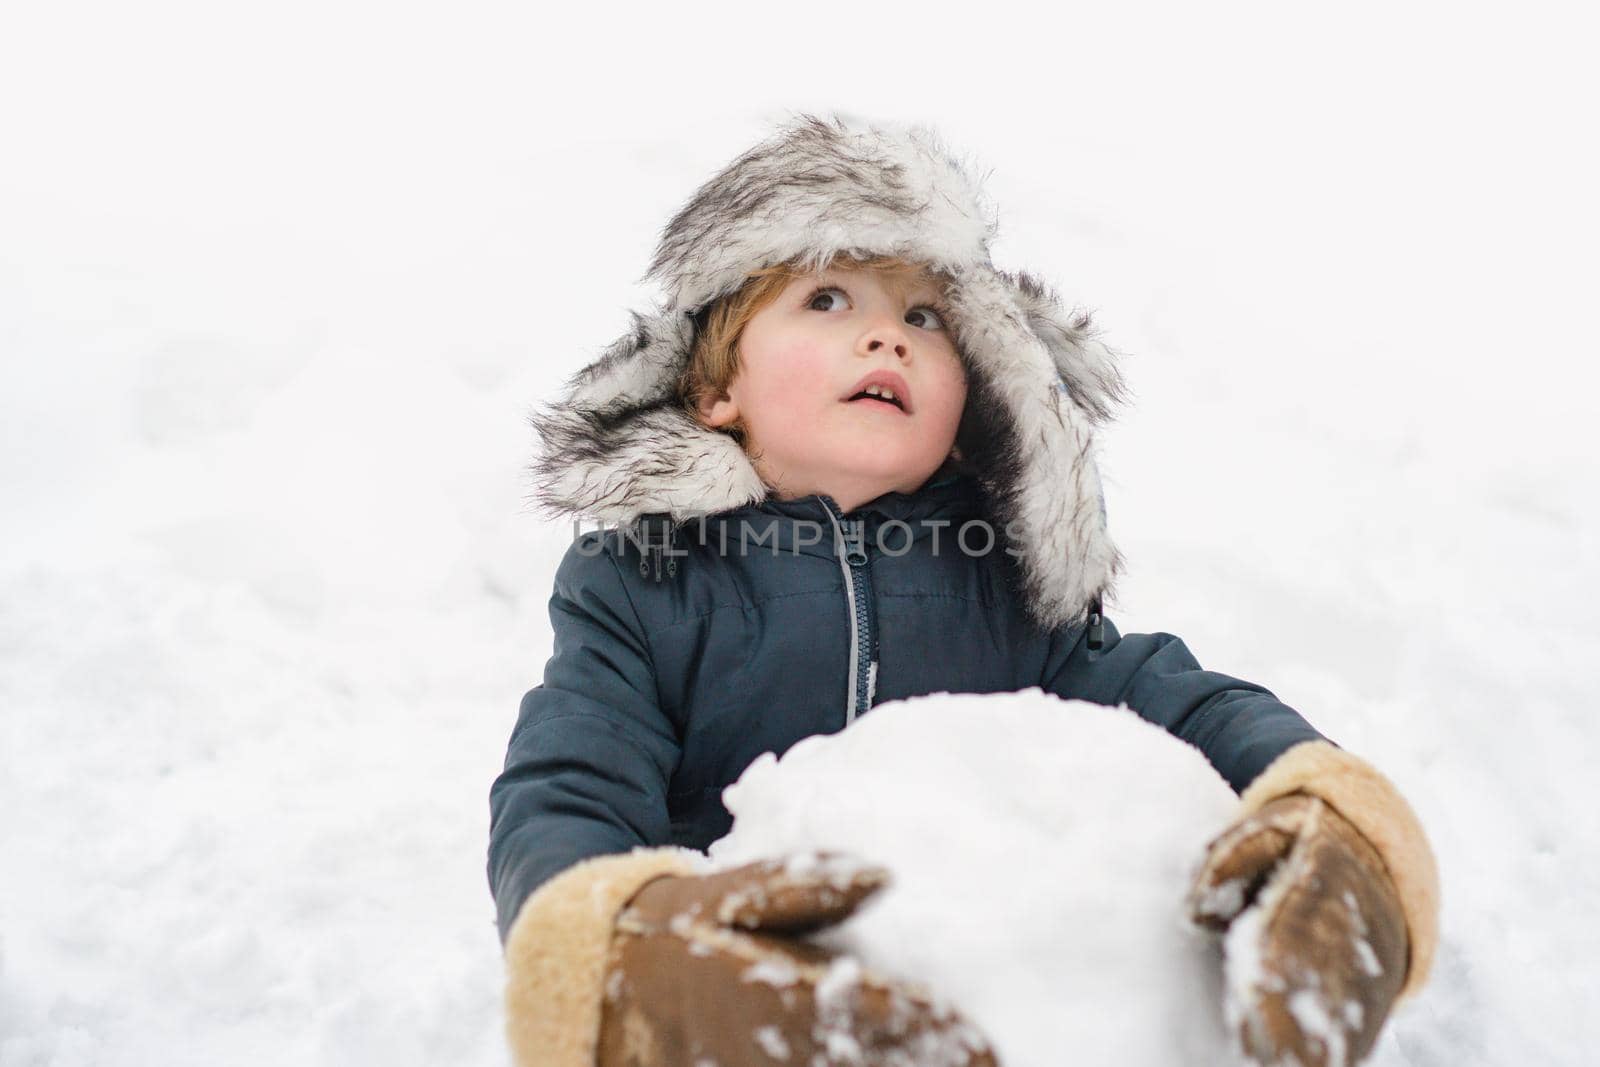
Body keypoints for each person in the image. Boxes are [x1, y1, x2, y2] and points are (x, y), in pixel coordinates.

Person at [489, 113, 1439, 1067]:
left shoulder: (1005, 583)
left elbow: (1181, 701)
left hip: (975, 1012)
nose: (885, 338)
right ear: (715, 387)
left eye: (924, 317)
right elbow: (569, 784)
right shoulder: (643, 584)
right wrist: (621, 944)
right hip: (754, 1012)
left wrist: (1323, 807)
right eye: (827, 297)